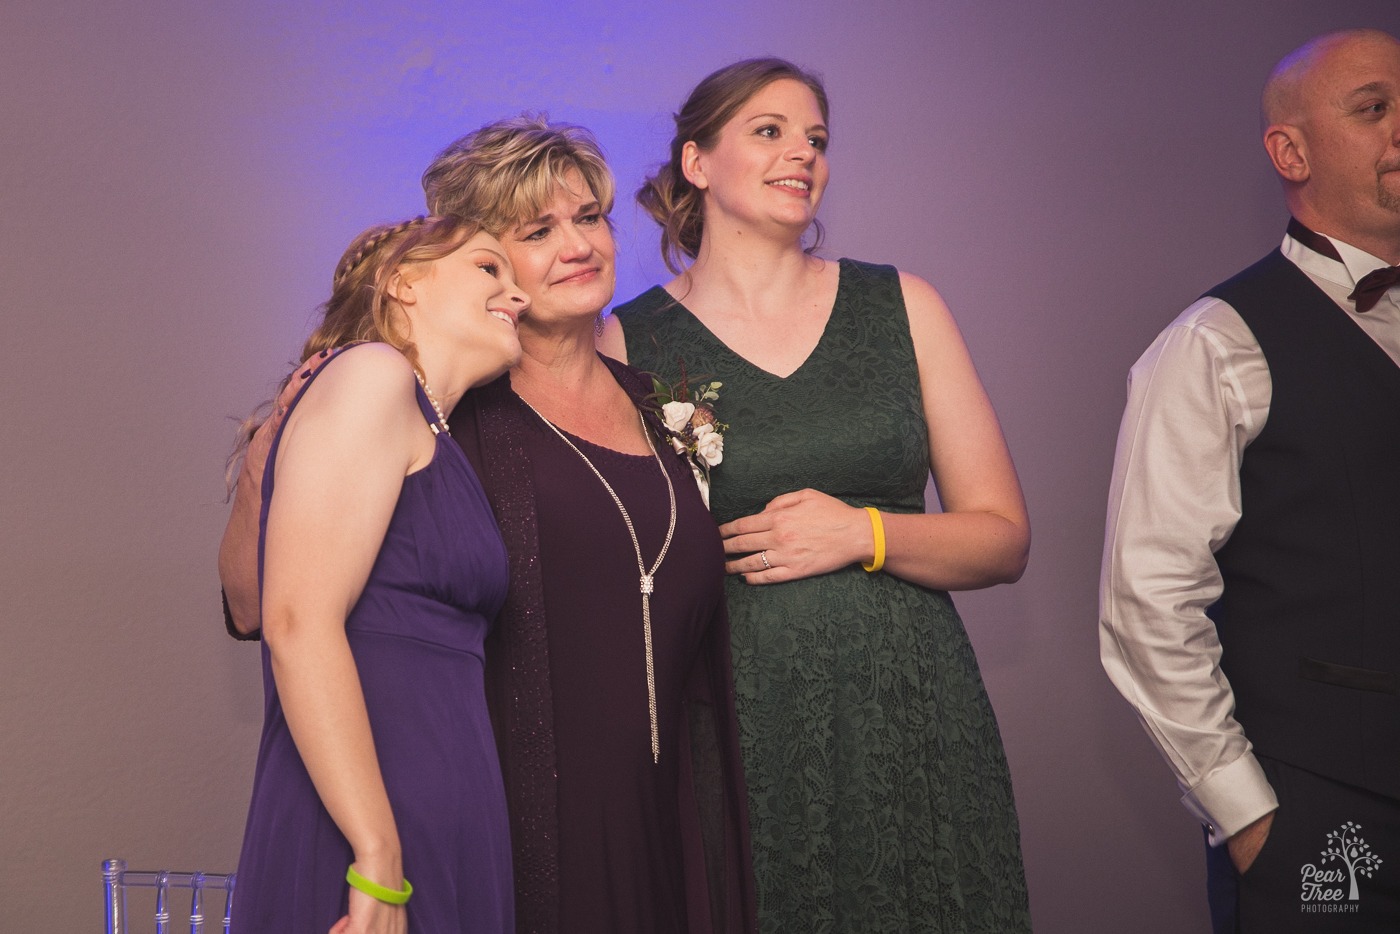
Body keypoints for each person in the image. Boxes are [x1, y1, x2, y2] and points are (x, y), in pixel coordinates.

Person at [222, 116, 756, 934]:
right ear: (409, 278)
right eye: (524, 240)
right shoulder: (423, 399)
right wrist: (270, 457)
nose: (573, 247)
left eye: (589, 219)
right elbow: (278, 612)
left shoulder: (654, 403)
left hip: (585, 808)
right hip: (480, 802)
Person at [603, 59, 1032, 932]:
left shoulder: (902, 305)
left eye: (818, 140)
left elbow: (1003, 538)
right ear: (697, 162)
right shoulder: (625, 338)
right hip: (734, 719)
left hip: (910, 711)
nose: (803, 153)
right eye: (770, 132)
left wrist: (864, 533)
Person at [1099, 28, 1400, 932]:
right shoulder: (1215, 342)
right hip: (1330, 815)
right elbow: (1147, 599)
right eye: (1375, 108)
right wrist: (1252, 820)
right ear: (1291, 151)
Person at [230, 214, 530, 933]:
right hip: (369, 818)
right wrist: (375, 852)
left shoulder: (433, 431)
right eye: (491, 268)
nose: (516, 295)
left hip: (442, 809)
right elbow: (290, 619)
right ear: (403, 283)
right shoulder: (373, 373)